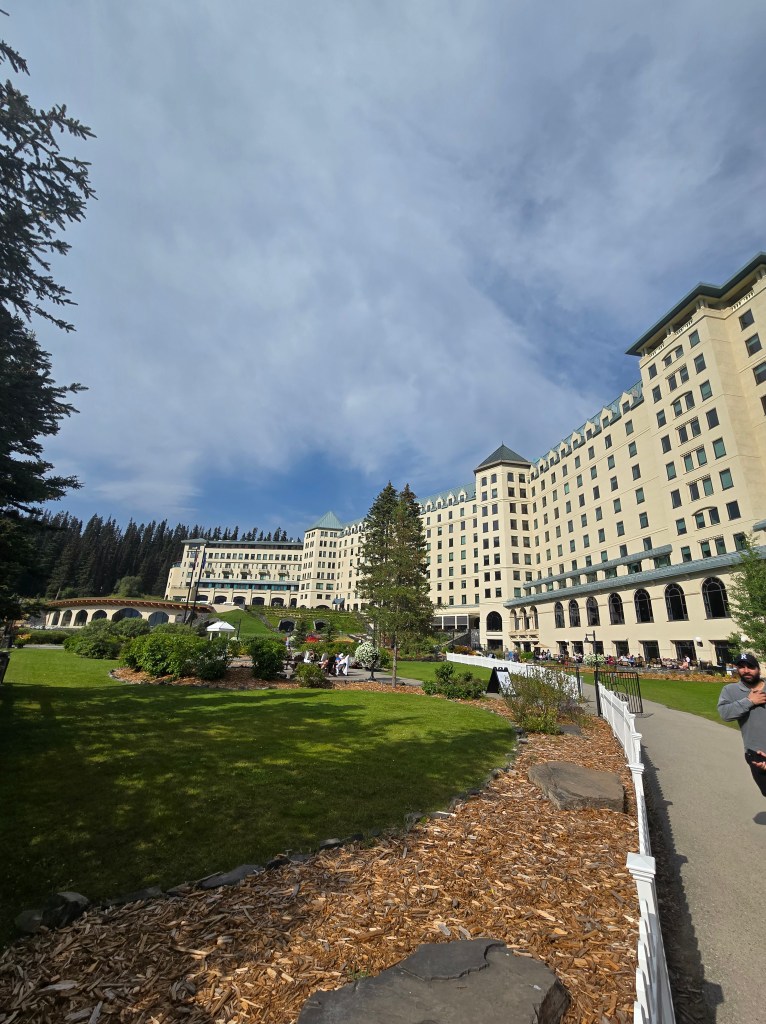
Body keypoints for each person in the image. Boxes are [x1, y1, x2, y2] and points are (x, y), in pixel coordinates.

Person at [717, 653, 766, 797]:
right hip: (757, 753)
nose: (746, 670)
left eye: (750, 667)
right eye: (741, 667)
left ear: (758, 669)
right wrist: (749, 701)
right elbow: (725, 714)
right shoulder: (730, 691)